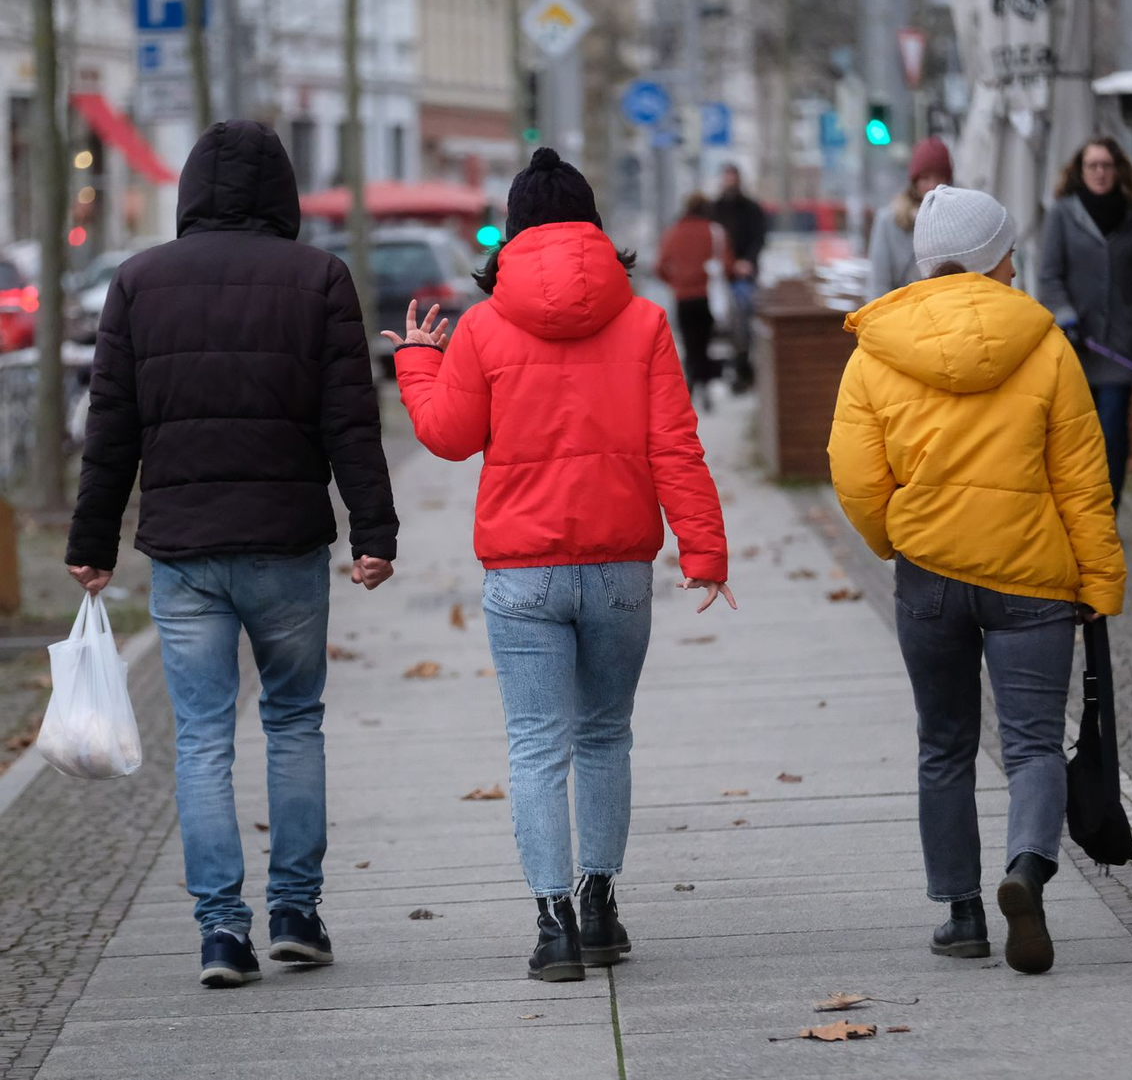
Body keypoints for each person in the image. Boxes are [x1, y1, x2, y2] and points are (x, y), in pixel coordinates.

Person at [384, 147, 734, 983]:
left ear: (513, 232)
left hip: (522, 571)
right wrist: (704, 548)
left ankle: (552, 929)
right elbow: (674, 447)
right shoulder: (645, 321)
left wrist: (416, 362)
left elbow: (449, 435)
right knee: (605, 733)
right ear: (592, 225)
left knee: (537, 747)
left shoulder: (484, 326)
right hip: (618, 565)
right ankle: (600, 903)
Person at [65, 120, 399, 988]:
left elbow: (111, 428)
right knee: (294, 720)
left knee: (205, 737)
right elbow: (350, 419)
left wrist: (91, 542)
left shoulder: (138, 283)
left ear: (188, 191)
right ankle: (295, 911)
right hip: (287, 542)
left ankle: (221, 931)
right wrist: (374, 534)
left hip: (183, 548)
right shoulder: (320, 278)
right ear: (283, 193)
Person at [828, 184, 1125, 976]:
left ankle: (961, 914)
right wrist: (1100, 580)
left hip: (928, 575)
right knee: (1032, 746)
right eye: (1012, 249)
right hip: (1033, 577)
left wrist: (892, 536)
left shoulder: (876, 347)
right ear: (998, 257)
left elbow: (855, 477)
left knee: (945, 744)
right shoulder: (1044, 342)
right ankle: (1025, 869)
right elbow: (1081, 480)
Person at [1039, 135, 1132, 509]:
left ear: (1118, 170)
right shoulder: (1062, 215)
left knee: (1113, 426)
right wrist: (1066, 317)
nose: (1100, 172)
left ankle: (1108, 506)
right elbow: (1049, 277)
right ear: (1080, 171)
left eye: (1106, 165)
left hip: (1122, 344)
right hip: (1077, 345)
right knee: (1079, 432)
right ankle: (1078, 505)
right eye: (1092, 166)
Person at [655, 192, 733, 412]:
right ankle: (705, 388)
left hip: (683, 298)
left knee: (690, 343)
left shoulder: (673, 233)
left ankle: (690, 386)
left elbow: (659, 266)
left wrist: (675, 282)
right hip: (708, 297)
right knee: (705, 343)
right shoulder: (714, 232)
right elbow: (727, 265)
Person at [865, 136, 954, 302]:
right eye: (925, 178)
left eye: (939, 178)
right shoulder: (889, 221)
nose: (932, 186)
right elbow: (879, 283)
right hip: (903, 318)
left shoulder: (959, 220)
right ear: (914, 181)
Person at [712, 164, 766, 392]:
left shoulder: (751, 209)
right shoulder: (715, 209)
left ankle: (742, 364)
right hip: (719, 274)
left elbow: (759, 238)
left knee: (743, 315)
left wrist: (747, 263)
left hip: (744, 273)